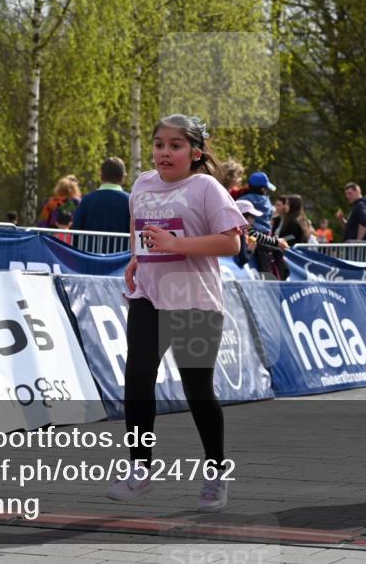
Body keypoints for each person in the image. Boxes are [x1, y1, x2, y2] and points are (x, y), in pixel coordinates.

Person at [107, 114, 245, 513]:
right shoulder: (142, 184)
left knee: (197, 390)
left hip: (194, 301)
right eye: (158, 144)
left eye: (175, 146)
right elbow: (139, 228)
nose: (164, 152)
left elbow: (231, 245)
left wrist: (177, 244)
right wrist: (135, 259)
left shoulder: (206, 188)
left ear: (195, 153)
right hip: (149, 297)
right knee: (137, 381)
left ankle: (216, 473)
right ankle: (140, 470)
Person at [72, 157, 130, 233]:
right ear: (123, 176)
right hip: (123, 245)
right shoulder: (131, 201)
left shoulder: (86, 200)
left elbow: (76, 229)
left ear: (101, 174)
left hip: (90, 245)